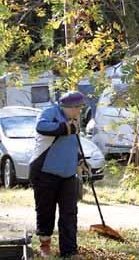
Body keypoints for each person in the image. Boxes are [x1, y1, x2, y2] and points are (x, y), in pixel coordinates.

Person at [29, 91, 89, 258]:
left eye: (81, 108)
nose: (79, 112)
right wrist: (64, 128)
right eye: (78, 108)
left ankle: (69, 251)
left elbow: (72, 143)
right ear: (69, 107)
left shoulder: (75, 119)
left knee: (70, 212)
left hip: (68, 173)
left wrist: (80, 159)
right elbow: (41, 127)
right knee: (45, 209)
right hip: (44, 171)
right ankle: (45, 245)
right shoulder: (49, 113)